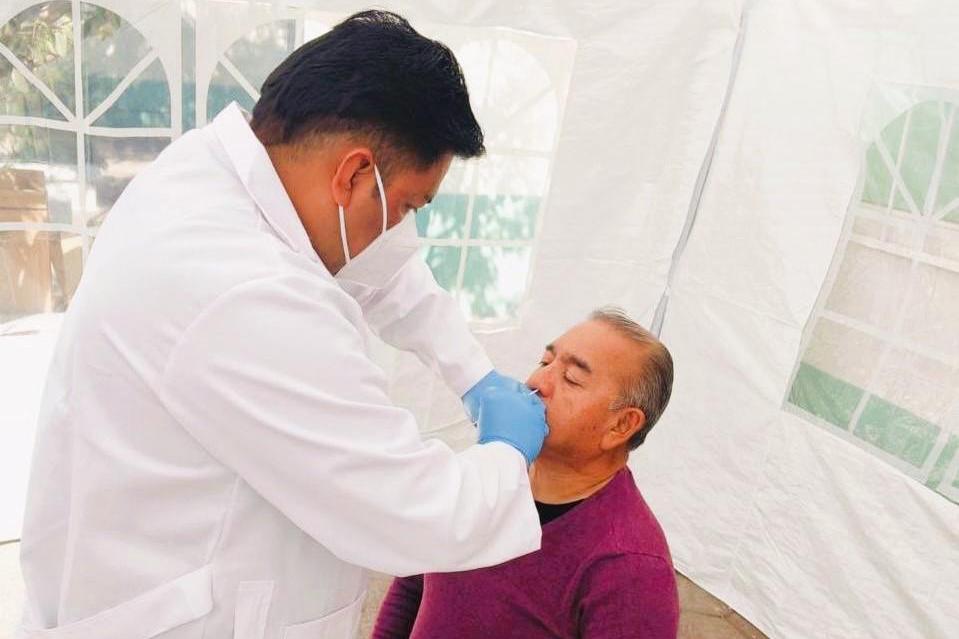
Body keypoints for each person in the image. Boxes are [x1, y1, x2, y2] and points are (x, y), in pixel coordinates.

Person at [17, 11, 548, 639]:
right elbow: (412, 509)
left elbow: (381, 268)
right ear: (353, 174)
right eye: (406, 206)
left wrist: (473, 373)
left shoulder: (210, 171)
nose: (401, 231)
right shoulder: (250, 296)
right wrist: (508, 453)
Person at [373, 308, 680, 639]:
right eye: (545, 362)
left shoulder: (629, 566)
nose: (537, 382)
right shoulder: (487, 478)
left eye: (572, 379)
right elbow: (411, 587)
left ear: (621, 425)